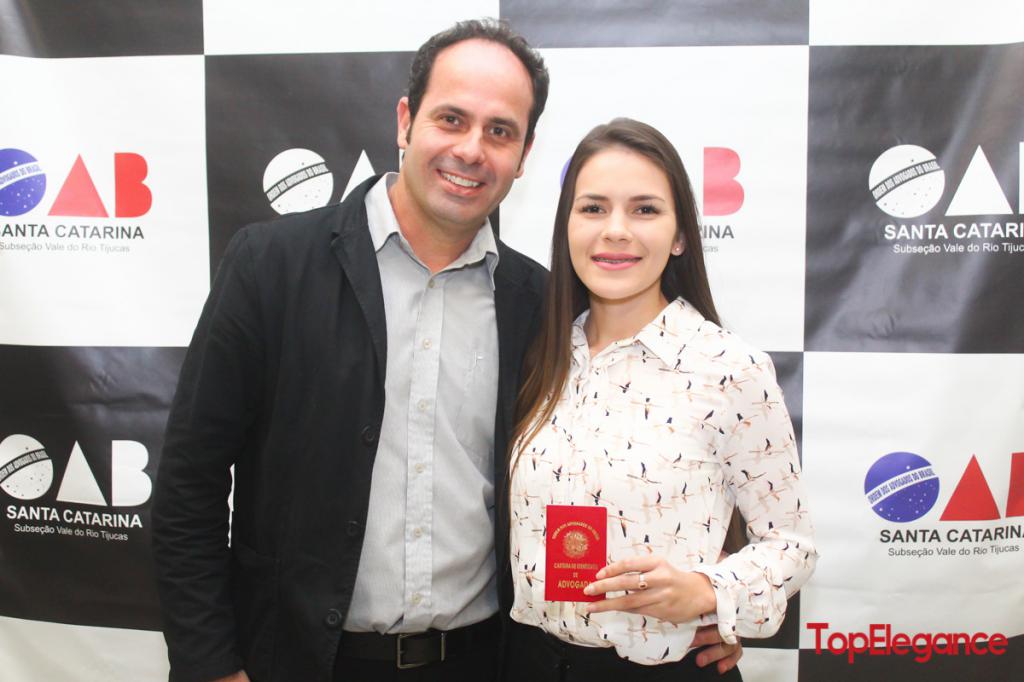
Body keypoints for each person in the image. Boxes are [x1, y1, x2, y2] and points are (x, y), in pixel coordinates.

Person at [152, 19, 741, 682]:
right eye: (451, 119)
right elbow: (189, 484)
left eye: (500, 131)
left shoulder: (545, 307)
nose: (471, 150)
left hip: (485, 662)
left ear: (524, 154)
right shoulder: (271, 266)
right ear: (406, 121)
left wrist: (713, 599)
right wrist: (210, 664)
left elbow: (636, 466)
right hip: (299, 661)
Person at [504, 119, 817, 681]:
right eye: (593, 208)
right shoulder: (537, 353)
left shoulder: (729, 369)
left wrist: (709, 591)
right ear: (567, 226)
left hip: (662, 669)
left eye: (644, 209)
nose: (615, 230)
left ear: (679, 237)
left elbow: (791, 543)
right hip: (528, 661)